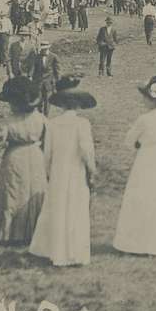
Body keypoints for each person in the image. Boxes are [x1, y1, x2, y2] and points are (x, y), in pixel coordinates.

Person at [29, 76, 97, 267]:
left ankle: (54, 249)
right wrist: (92, 171)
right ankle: (73, 251)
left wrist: (47, 172)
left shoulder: (52, 124)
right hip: (76, 170)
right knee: (75, 207)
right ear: (77, 104)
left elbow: (47, 152)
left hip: (59, 170)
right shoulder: (82, 124)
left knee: (57, 206)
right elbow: (86, 151)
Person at [113, 76, 156, 257]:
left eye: (145, 98)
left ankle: (135, 243)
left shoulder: (144, 119)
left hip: (146, 159)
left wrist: (139, 144)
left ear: (152, 100)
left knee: (140, 197)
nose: (143, 101)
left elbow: (129, 141)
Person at [0, 77, 47, 245]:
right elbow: (48, 140)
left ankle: (11, 233)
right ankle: (34, 230)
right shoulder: (40, 118)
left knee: (12, 194)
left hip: (15, 157)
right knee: (34, 191)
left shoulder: (7, 121)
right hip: (36, 156)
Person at [26, 41, 60, 117]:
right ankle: (40, 114)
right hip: (38, 82)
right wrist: (29, 76)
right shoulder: (37, 57)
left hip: (49, 83)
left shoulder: (54, 57)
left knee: (48, 101)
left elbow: (57, 71)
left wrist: (58, 82)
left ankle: (46, 117)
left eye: (45, 49)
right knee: (39, 101)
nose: (43, 51)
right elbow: (32, 67)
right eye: (42, 49)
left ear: (48, 48)